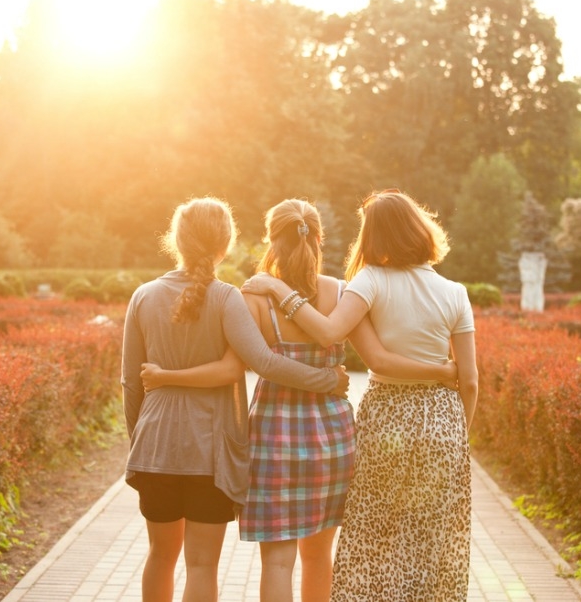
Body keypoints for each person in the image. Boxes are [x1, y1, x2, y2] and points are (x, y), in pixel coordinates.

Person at [143, 198, 458, 602]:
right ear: (320, 239)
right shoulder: (342, 293)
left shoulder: (253, 297)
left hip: (274, 437)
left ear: (271, 241)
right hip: (331, 437)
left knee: (278, 562)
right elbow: (377, 352)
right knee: (318, 557)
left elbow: (247, 363)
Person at [241, 189, 478, 601]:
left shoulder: (268, 294)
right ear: (318, 239)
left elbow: (348, 349)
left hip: (299, 431)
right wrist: (451, 409)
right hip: (359, 433)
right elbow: (465, 379)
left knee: (303, 558)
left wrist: (277, 290)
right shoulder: (350, 289)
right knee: (340, 555)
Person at [120, 196, 350, 602]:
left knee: (159, 555)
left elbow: (130, 383)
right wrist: (327, 380)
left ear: (176, 240)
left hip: (154, 447)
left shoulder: (143, 296)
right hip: (212, 453)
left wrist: (139, 442)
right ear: (225, 244)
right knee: (202, 565)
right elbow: (257, 361)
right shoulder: (227, 298)